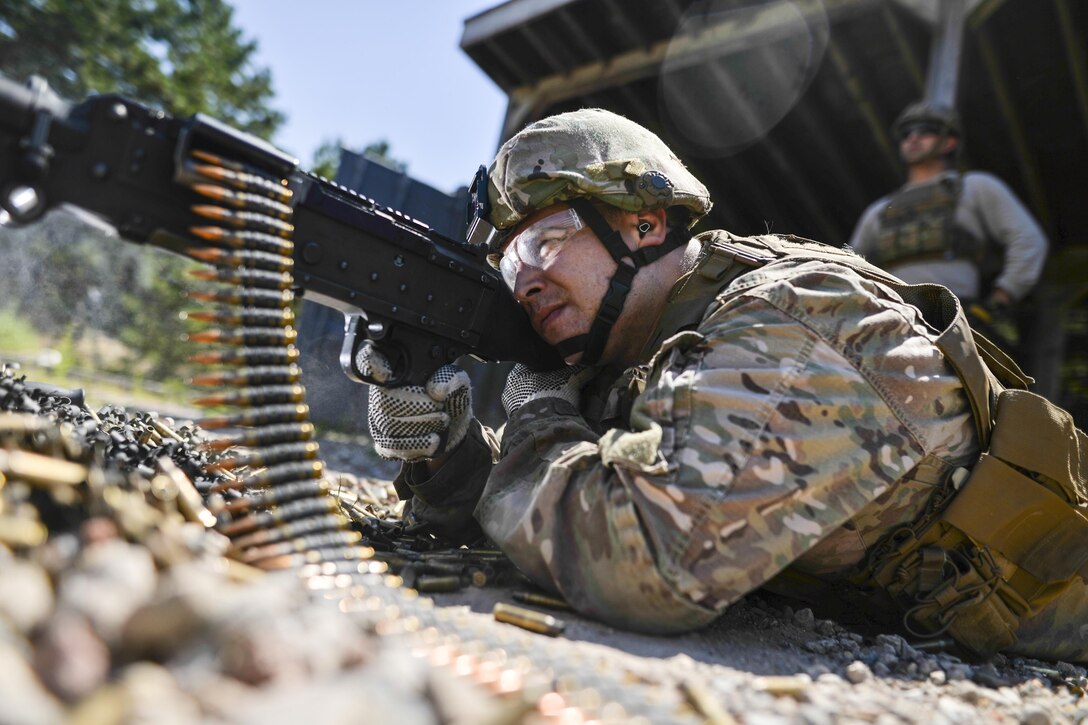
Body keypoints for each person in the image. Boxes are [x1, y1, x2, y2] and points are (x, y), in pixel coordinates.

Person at [361, 108, 1088, 661]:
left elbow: (641, 563)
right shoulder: (632, 356)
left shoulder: (795, 321)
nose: (525, 281)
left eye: (547, 242)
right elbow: (538, 521)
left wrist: (538, 406)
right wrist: (445, 454)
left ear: (645, 224)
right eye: (510, 263)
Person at [848, 101, 1048, 348]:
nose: (913, 138)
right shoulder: (879, 210)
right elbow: (849, 268)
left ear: (949, 142)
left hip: (953, 323)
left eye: (926, 130)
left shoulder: (975, 187)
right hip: (888, 324)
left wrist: (1000, 299)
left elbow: (1028, 240)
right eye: (906, 133)